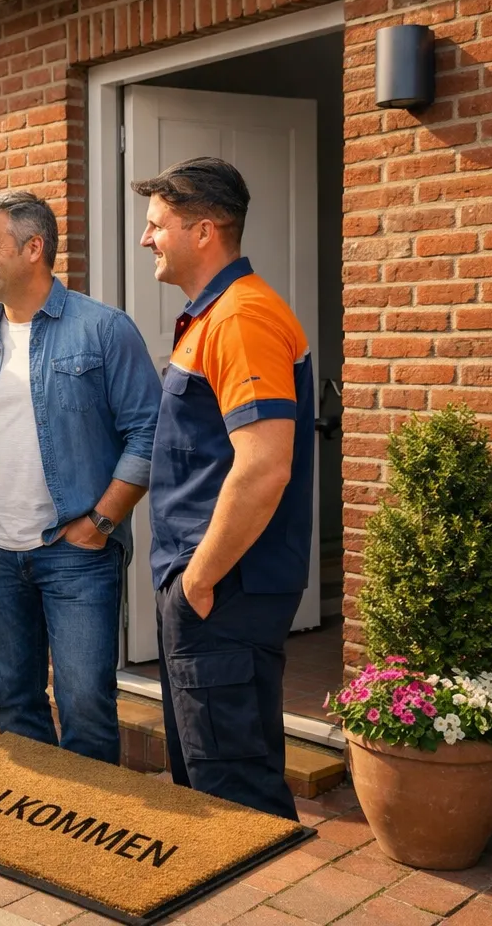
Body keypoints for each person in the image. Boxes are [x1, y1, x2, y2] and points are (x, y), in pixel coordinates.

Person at [0, 190, 161, 764]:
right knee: (17, 705)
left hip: (77, 552)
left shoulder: (104, 330)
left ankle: (91, 834)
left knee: (86, 703)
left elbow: (149, 433)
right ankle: (41, 834)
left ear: (34, 247)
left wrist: (101, 521)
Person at [136, 157, 314, 821]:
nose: (146, 239)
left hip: (224, 590)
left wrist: (199, 581)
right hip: (209, 587)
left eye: (157, 225)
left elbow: (264, 465)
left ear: (203, 231)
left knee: (233, 792)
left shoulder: (241, 318)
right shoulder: (212, 316)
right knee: (205, 779)